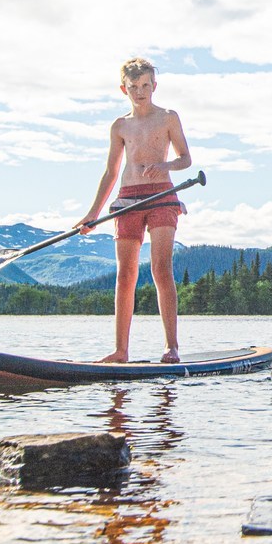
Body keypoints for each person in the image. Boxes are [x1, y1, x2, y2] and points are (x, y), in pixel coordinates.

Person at [78, 57, 193, 364]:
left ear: (154, 86)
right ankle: (121, 351)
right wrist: (93, 213)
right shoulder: (120, 126)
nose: (140, 92)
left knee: (161, 269)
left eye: (145, 86)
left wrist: (164, 166)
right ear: (123, 89)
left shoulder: (168, 118)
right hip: (127, 198)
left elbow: (186, 159)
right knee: (125, 275)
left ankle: (172, 347)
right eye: (134, 87)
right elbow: (111, 173)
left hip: (162, 196)